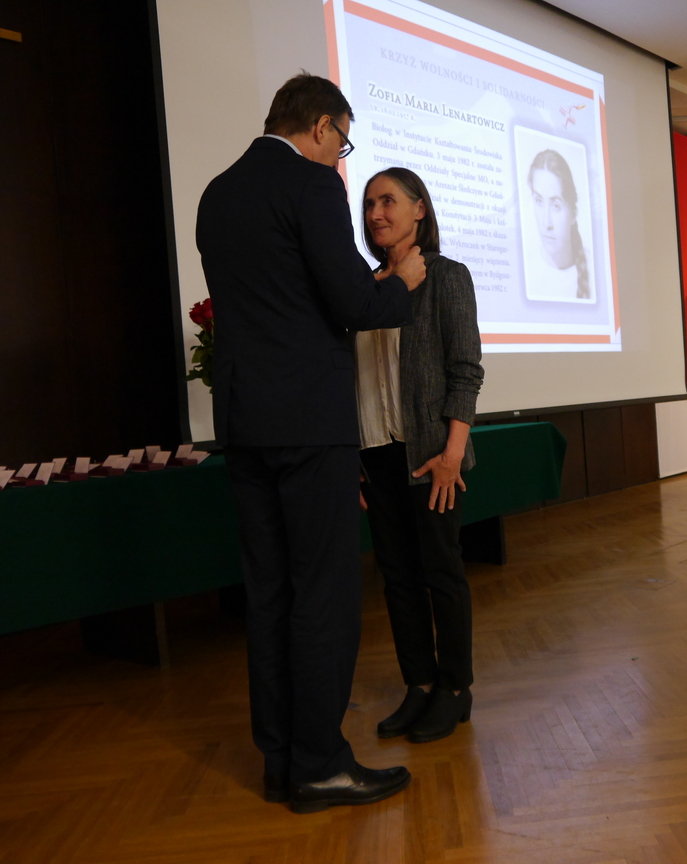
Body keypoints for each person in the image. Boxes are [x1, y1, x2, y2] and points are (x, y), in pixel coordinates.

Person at [196, 73, 427, 814]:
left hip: (245, 423)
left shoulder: (217, 192)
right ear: (322, 126)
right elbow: (354, 301)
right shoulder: (313, 184)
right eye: (343, 143)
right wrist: (403, 281)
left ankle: (282, 762)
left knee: (268, 594)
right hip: (308, 425)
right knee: (322, 594)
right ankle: (322, 766)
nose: (341, 159)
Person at [355, 167, 484, 744]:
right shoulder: (366, 289)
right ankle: (419, 684)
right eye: (369, 204)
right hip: (376, 452)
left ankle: (455, 689)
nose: (376, 213)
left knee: (441, 572)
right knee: (398, 579)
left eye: (388, 201)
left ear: (419, 210)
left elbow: (465, 371)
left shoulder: (447, 277)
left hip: (433, 456)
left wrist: (453, 454)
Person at [524, 149, 591, 302]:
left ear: (573, 213)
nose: (546, 223)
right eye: (539, 201)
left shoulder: (595, 269)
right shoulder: (527, 271)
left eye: (556, 205)